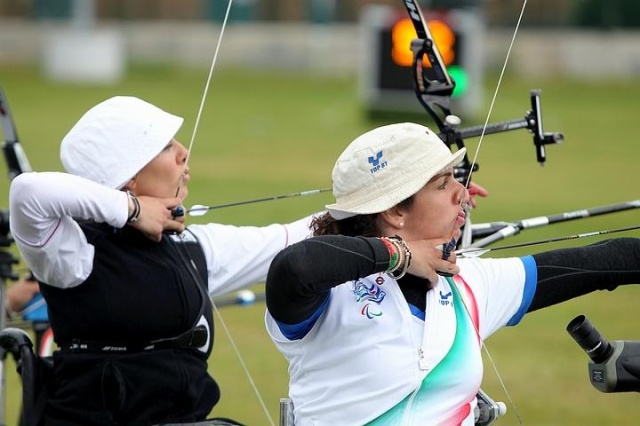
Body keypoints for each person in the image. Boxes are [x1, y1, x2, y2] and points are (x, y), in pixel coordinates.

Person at [264, 122, 640, 425]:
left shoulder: (469, 283)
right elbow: (296, 267)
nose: (463, 193)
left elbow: (601, 263)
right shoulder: (329, 295)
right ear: (396, 212)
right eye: (443, 184)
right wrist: (400, 255)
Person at [8, 96, 316, 425]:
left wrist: (370, 207)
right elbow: (27, 192)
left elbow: (294, 237)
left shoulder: (193, 246)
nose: (184, 152)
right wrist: (134, 209)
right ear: (129, 178)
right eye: (166, 147)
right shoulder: (73, 252)